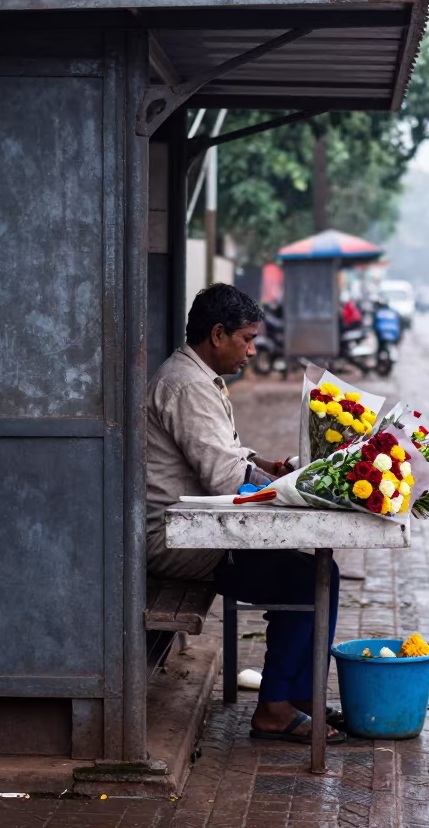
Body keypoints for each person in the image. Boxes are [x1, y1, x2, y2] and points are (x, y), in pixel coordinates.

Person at [145, 283, 345, 744]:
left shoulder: (196, 378)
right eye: (247, 339)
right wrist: (288, 487)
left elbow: (227, 457)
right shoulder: (188, 386)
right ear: (218, 334)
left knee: (315, 570)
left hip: (197, 528)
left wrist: (269, 469)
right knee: (308, 577)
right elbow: (224, 479)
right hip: (174, 539)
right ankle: (275, 707)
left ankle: (295, 693)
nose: (253, 351)